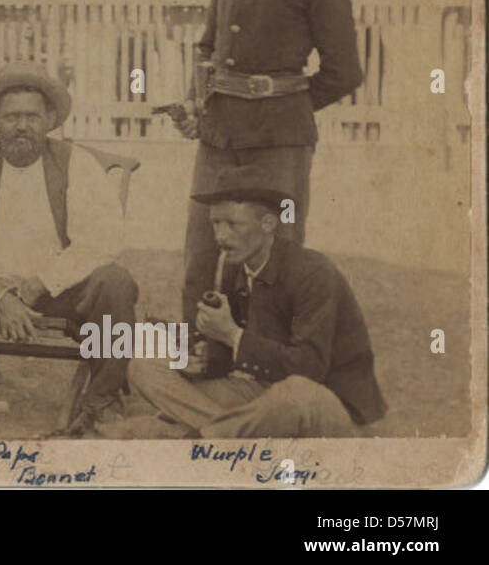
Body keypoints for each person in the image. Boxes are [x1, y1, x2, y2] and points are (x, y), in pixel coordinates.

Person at [174, 0, 363, 328]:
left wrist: (282, 101)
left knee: (273, 254)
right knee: (201, 254)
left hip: (280, 141)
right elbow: (207, 48)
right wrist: (198, 105)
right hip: (219, 138)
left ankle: (268, 361)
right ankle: (197, 356)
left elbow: (344, 71)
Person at [0, 61, 141, 436]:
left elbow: (104, 237)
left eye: (32, 116)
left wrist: (41, 283)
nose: (22, 126)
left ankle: (102, 399)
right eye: (11, 117)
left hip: (57, 292)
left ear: (50, 119)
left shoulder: (76, 164)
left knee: (115, 283)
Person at [113, 163, 386, 438]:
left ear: (267, 224)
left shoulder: (313, 272)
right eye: (216, 223)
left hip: (327, 402)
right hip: (265, 395)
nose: (221, 236)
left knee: (294, 394)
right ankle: (232, 435)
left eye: (233, 224)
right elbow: (243, 356)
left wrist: (232, 335)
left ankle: (200, 437)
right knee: (144, 367)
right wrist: (206, 359)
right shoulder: (235, 266)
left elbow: (308, 368)